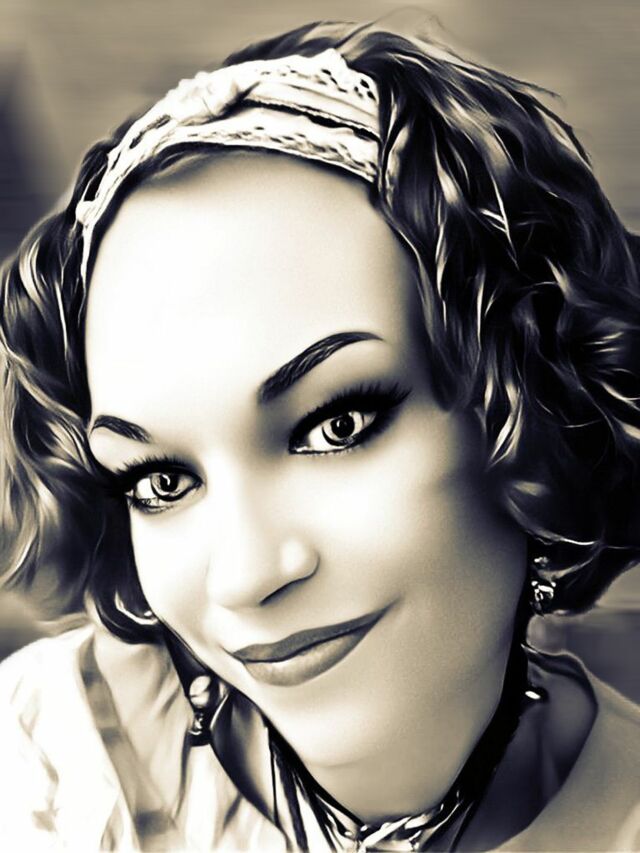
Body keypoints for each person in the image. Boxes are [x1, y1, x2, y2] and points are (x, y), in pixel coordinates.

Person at [1, 18, 639, 852]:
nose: (246, 575)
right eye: (161, 480)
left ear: (532, 402)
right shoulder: (42, 769)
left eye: (336, 425)